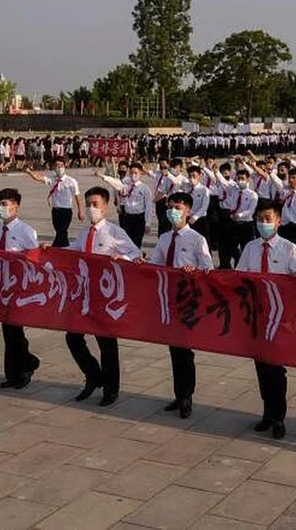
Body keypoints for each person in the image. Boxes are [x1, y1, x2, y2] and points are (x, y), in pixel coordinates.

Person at [56, 186, 141, 406]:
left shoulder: (114, 232)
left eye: (96, 204)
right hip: (84, 294)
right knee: (73, 337)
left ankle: (111, 389)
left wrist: (121, 256)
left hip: (106, 296)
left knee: (107, 344)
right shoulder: (85, 233)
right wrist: (52, 250)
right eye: (88, 204)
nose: (91, 208)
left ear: (106, 207)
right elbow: (75, 249)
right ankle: (94, 376)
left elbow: (135, 253)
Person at [236, 199, 296, 439]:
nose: (263, 223)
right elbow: (238, 278)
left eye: (268, 219)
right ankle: (267, 412)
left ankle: (279, 417)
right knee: (261, 367)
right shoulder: (250, 248)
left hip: (280, 318)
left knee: (276, 370)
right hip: (256, 316)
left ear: (279, 221)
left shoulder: (290, 249)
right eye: (259, 219)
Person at [144, 192, 213, 419]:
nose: (174, 211)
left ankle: (187, 397)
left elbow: (208, 270)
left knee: (184, 350)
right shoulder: (164, 238)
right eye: (171, 207)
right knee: (174, 349)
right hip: (169, 300)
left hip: (188, 300)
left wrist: (195, 273)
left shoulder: (196, 239)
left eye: (179, 207)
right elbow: (156, 265)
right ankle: (178, 394)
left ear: (188, 212)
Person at [0, 188, 42, 388]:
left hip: (19, 288)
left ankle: (24, 369)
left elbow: (34, 260)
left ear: (16, 206)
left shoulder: (25, 231)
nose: (2, 208)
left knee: (15, 331)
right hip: (2, 287)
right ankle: (14, 372)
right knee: (8, 331)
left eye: (6, 204)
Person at [26, 157, 84, 247]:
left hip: (66, 210)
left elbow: (77, 196)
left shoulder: (71, 181)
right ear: (53, 167)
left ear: (65, 166)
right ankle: (65, 248)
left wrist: (81, 211)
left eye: (61, 165)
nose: (59, 168)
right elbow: (38, 177)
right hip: (55, 210)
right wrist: (29, 172)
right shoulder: (52, 180)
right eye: (57, 165)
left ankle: (55, 248)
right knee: (59, 231)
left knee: (62, 231)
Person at [97, 162, 151, 249]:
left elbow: (148, 206)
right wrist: (102, 176)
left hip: (139, 218)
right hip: (128, 217)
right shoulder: (125, 186)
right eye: (131, 173)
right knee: (127, 240)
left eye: (136, 173)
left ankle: (136, 257)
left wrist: (147, 223)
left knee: (137, 241)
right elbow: (114, 182)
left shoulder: (144, 188)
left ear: (141, 173)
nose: (133, 175)